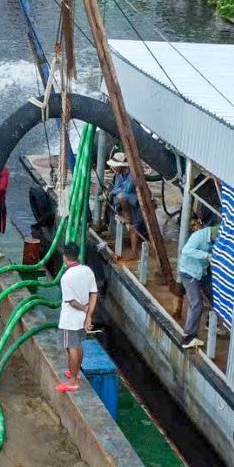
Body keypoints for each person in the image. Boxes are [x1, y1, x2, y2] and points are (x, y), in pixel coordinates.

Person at [56, 242, 98, 393]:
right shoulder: (87, 271)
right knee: (78, 344)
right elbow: (94, 293)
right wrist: (89, 315)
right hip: (82, 318)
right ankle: (75, 373)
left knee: (71, 346)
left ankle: (73, 381)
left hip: (70, 319)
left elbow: (71, 301)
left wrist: (84, 309)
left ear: (65, 258)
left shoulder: (66, 277)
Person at [179, 222, 219, 349]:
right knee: (196, 304)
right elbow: (186, 250)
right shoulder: (198, 237)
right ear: (213, 235)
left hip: (202, 272)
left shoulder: (214, 239)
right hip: (189, 273)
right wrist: (206, 255)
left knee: (215, 297)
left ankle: (210, 323)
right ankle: (187, 337)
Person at [107, 152, 143, 258]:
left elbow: (126, 189)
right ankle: (133, 252)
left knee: (134, 225)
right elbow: (116, 188)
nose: (113, 167)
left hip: (135, 201)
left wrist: (115, 191)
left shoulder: (131, 174)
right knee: (118, 197)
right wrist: (115, 191)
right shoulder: (118, 175)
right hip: (126, 201)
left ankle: (134, 252)